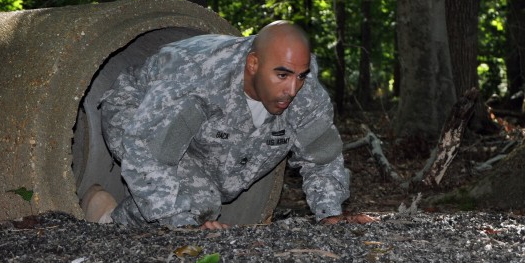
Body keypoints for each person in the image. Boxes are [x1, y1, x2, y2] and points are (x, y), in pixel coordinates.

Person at [82, 21, 375, 228]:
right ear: (253, 64)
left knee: (211, 191)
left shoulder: (305, 93)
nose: (293, 89)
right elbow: (150, 151)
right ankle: (108, 221)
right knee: (199, 201)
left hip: (199, 133)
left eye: (301, 75)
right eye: (282, 75)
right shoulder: (199, 79)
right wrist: (182, 224)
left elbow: (322, 157)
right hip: (138, 113)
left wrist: (330, 214)